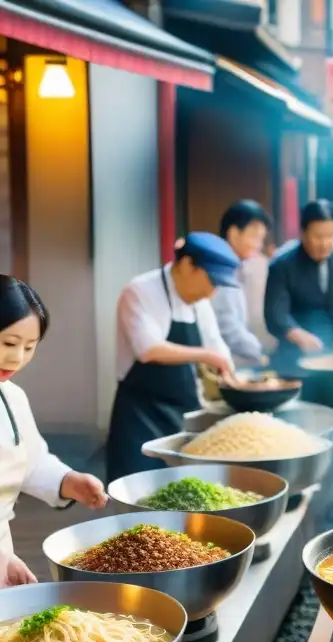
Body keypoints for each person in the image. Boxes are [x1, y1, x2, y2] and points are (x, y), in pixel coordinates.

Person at [0, 277, 107, 586]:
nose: (17, 358)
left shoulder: (12, 397)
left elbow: (30, 460)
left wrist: (67, 482)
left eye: (29, 347)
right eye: (8, 343)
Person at [106, 234, 237, 482]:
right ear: (187, 265)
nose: (212, 293)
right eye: (211, 281)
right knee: (141, 498)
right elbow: (148, 349)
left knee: (182, 497)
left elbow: (215, 343)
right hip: (140, 417)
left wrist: (230, 373)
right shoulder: (140, 291)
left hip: (183, 417)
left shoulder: (200, 302)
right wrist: (208, 355)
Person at [264, 200, 333, 376]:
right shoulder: (282, 265)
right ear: (302, 233)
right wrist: (301, 337)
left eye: (331, 236)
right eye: (318, 236)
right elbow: (276, 315)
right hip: (295, 358)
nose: (325, 243)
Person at [212, 200, 271, 365]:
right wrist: (260, 350)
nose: (258, 246)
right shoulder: (220, 270)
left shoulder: (236, 267)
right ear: (233, 233)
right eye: (254, 237)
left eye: (261, 239)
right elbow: (228, 327)